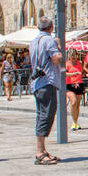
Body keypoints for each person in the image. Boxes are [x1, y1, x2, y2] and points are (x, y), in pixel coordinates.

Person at [30, 16, 65, 164]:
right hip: (47, 82)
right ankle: (39, 152)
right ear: (51, 28)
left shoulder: (33, 42)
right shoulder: (49, 40)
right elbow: (57, 59)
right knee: (46, 115)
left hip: (37, 83)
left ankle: (43, 150)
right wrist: (59, 48)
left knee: (41, 114)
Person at [65, 51, 86, 130]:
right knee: (73, 102)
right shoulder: (67, 64)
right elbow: (65, 74)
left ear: (77, 56)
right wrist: (74, 73)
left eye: (74, 55)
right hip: (70, 85)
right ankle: (73, 122)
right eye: (71, 55)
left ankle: (76, 122)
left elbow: (82, 73)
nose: (73, 57)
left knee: (77, 105)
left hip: (79, 84)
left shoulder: (80, 63)